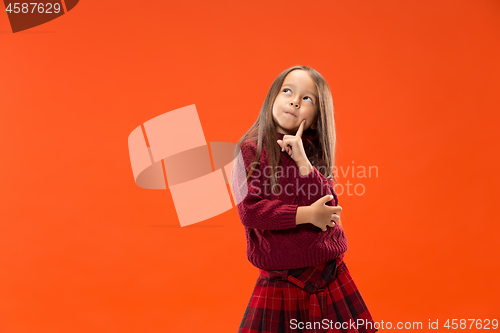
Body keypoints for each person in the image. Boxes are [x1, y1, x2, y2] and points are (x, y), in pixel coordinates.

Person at [231, 65, 378, 333]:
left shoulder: (310, 149)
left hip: (330, 276)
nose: (295, 101)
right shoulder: (250, 149)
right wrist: (306, 215)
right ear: (272, 98)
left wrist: (302, 162)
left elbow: (329, 207)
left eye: (307, 98)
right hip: (282, 281)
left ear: (317, 115)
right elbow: (250, 211)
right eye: (287, 91)